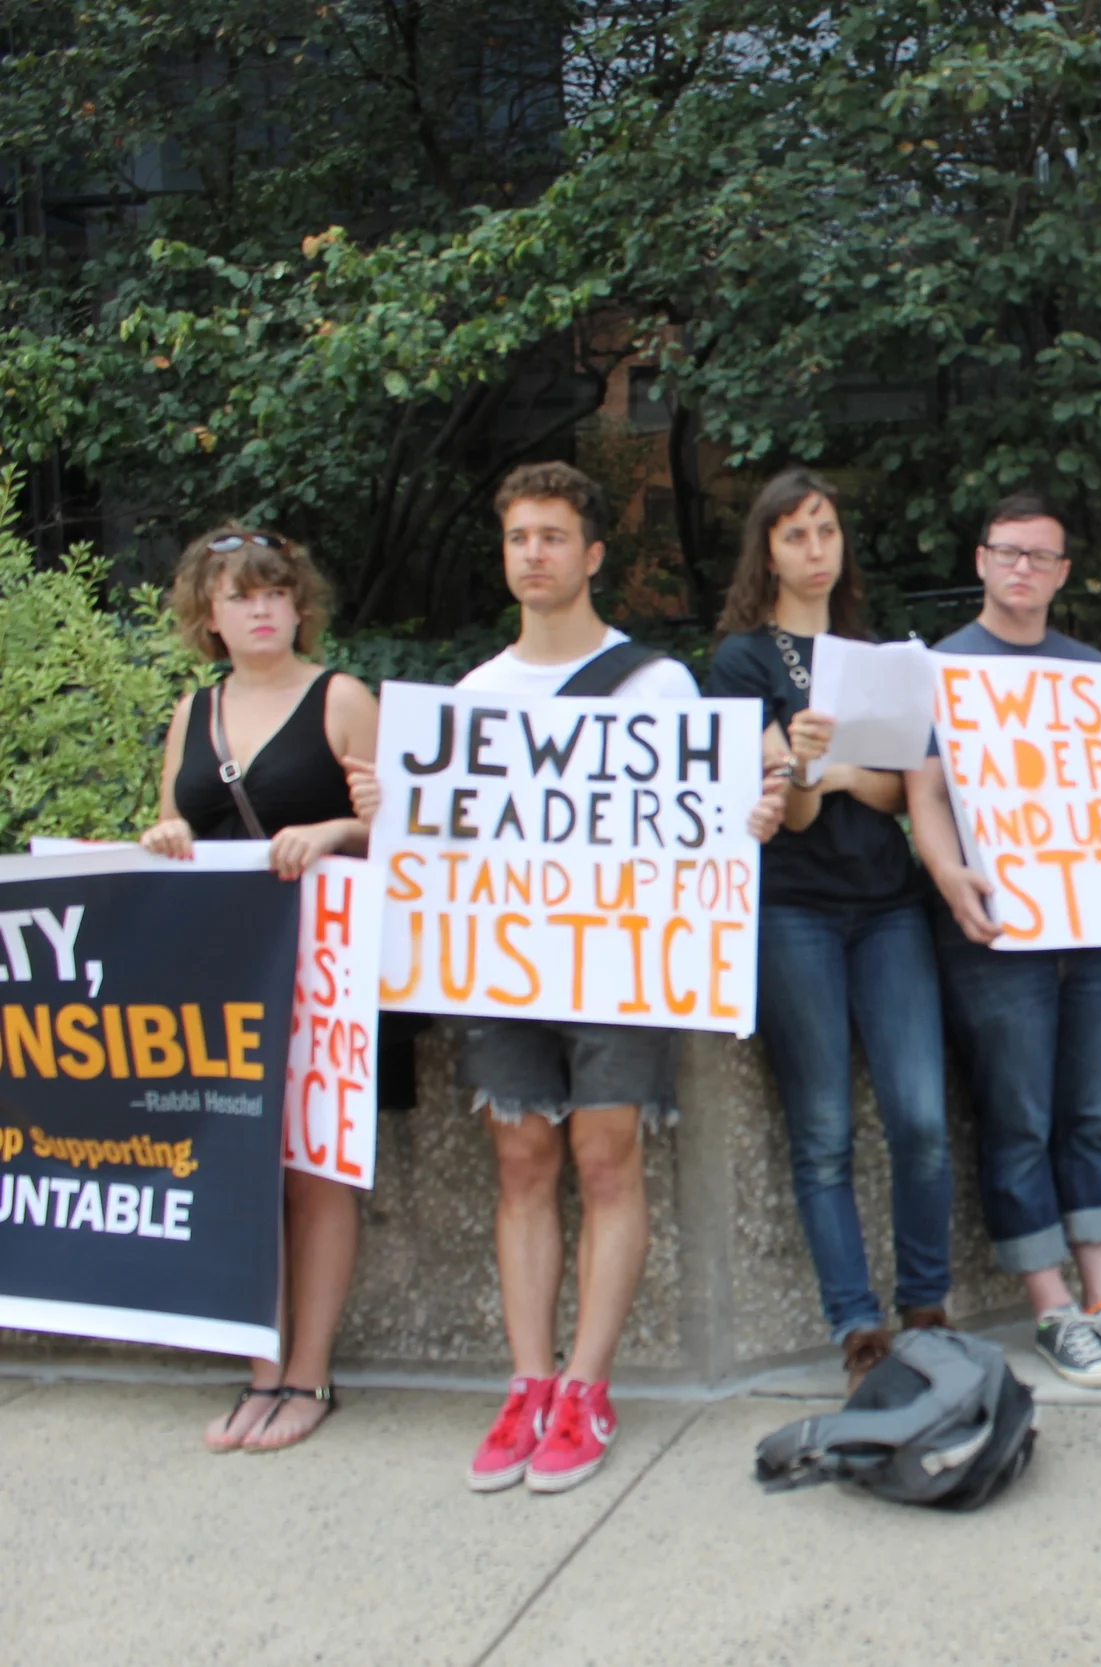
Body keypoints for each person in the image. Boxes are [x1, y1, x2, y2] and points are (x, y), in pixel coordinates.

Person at [349, 461, 787, 1493]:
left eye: (553, 536)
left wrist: (751, 819)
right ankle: (528, 1380)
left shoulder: (659, 684)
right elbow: (445, 857)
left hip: (618, 968)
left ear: (593, 555)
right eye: (518, 538)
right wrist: (389, 814)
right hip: (507, 969)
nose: (533, 554)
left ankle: (586, 1385)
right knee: (521, 1158)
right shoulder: (473, 697)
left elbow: (703, 839)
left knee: (606, 1156)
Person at [904, 492, 1101, 1388]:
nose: (1022, 568)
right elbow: (924, 792)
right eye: (1008, 552)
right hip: (998, 930)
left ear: (1062, 573)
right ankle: (1052, 1308)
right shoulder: (942, 668)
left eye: (1040, 556)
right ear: (980, 560)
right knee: (1019, 1118)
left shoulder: (1093, 670)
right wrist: (946, 875)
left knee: (1089, 1115)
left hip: (1095, 931)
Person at [706, 469, 952, 1389]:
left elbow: (902, 788)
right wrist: (822, 772)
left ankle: (927, 1303)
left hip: (888, 904)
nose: (816, 550)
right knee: (821, 1132)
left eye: (828, 531)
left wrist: (830, 766)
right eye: (796, 534)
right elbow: (789, 810)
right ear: (765, 547)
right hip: (793, 909)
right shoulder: (738, 661)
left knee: (920, 1116)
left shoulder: (877, 653)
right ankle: (858, 1324)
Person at [142, 525, 379, 1453]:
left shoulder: (342, 698)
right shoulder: (190, 713)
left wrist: (332, 831)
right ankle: (259, 1370)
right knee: (244, 1165)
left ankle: (308, 1372)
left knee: (316, 1169)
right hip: (229, 970)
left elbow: (402, 827)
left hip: (328, 965)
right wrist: (165, 839)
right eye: (241, 595)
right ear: (209, 614)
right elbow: (172, 821)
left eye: (276, 591)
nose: (262, 608)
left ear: (299, 602)